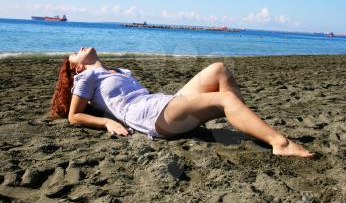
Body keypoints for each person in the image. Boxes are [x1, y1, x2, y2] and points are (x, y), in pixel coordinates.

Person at [51, 47, 314, 158]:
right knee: (225, 98)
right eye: (74, 53)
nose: (81, 48)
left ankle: (247, 126)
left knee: (220, 69)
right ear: (77, 68)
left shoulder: (119, 71)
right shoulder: (86, 78)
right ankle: (281, 144)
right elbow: (75, 116)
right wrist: (107, 122)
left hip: (162, 104)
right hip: (150, 117)